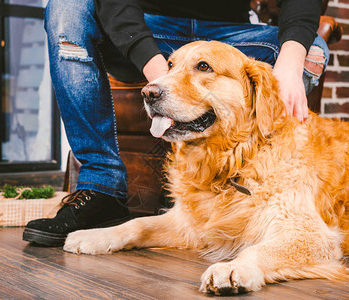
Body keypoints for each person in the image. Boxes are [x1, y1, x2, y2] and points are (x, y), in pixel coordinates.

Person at [23, 0, 329, 246]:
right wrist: (167, 82)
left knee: (312, 47)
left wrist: (290, 63)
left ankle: (267, 187)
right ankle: (101, 185)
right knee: (67, 7)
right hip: (146, 27)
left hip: (232, 34)